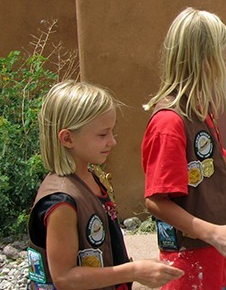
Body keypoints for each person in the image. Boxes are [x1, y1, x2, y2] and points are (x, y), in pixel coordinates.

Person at [141, 7, 226, 290]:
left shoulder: (201, 110)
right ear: (204, 60)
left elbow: (218, 164)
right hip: (190, 264)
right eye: (221, 54)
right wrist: (213, 233)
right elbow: (156, 200)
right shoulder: (169, 122)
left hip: (217, 255)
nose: (225, 63)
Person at [27, 80, 184, 290]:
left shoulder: (90, 178)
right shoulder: (62, 203)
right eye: (102, 134)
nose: (112, 141)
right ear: (67, 138)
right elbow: (64, 278)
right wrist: (133, 271)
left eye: (111, 132)